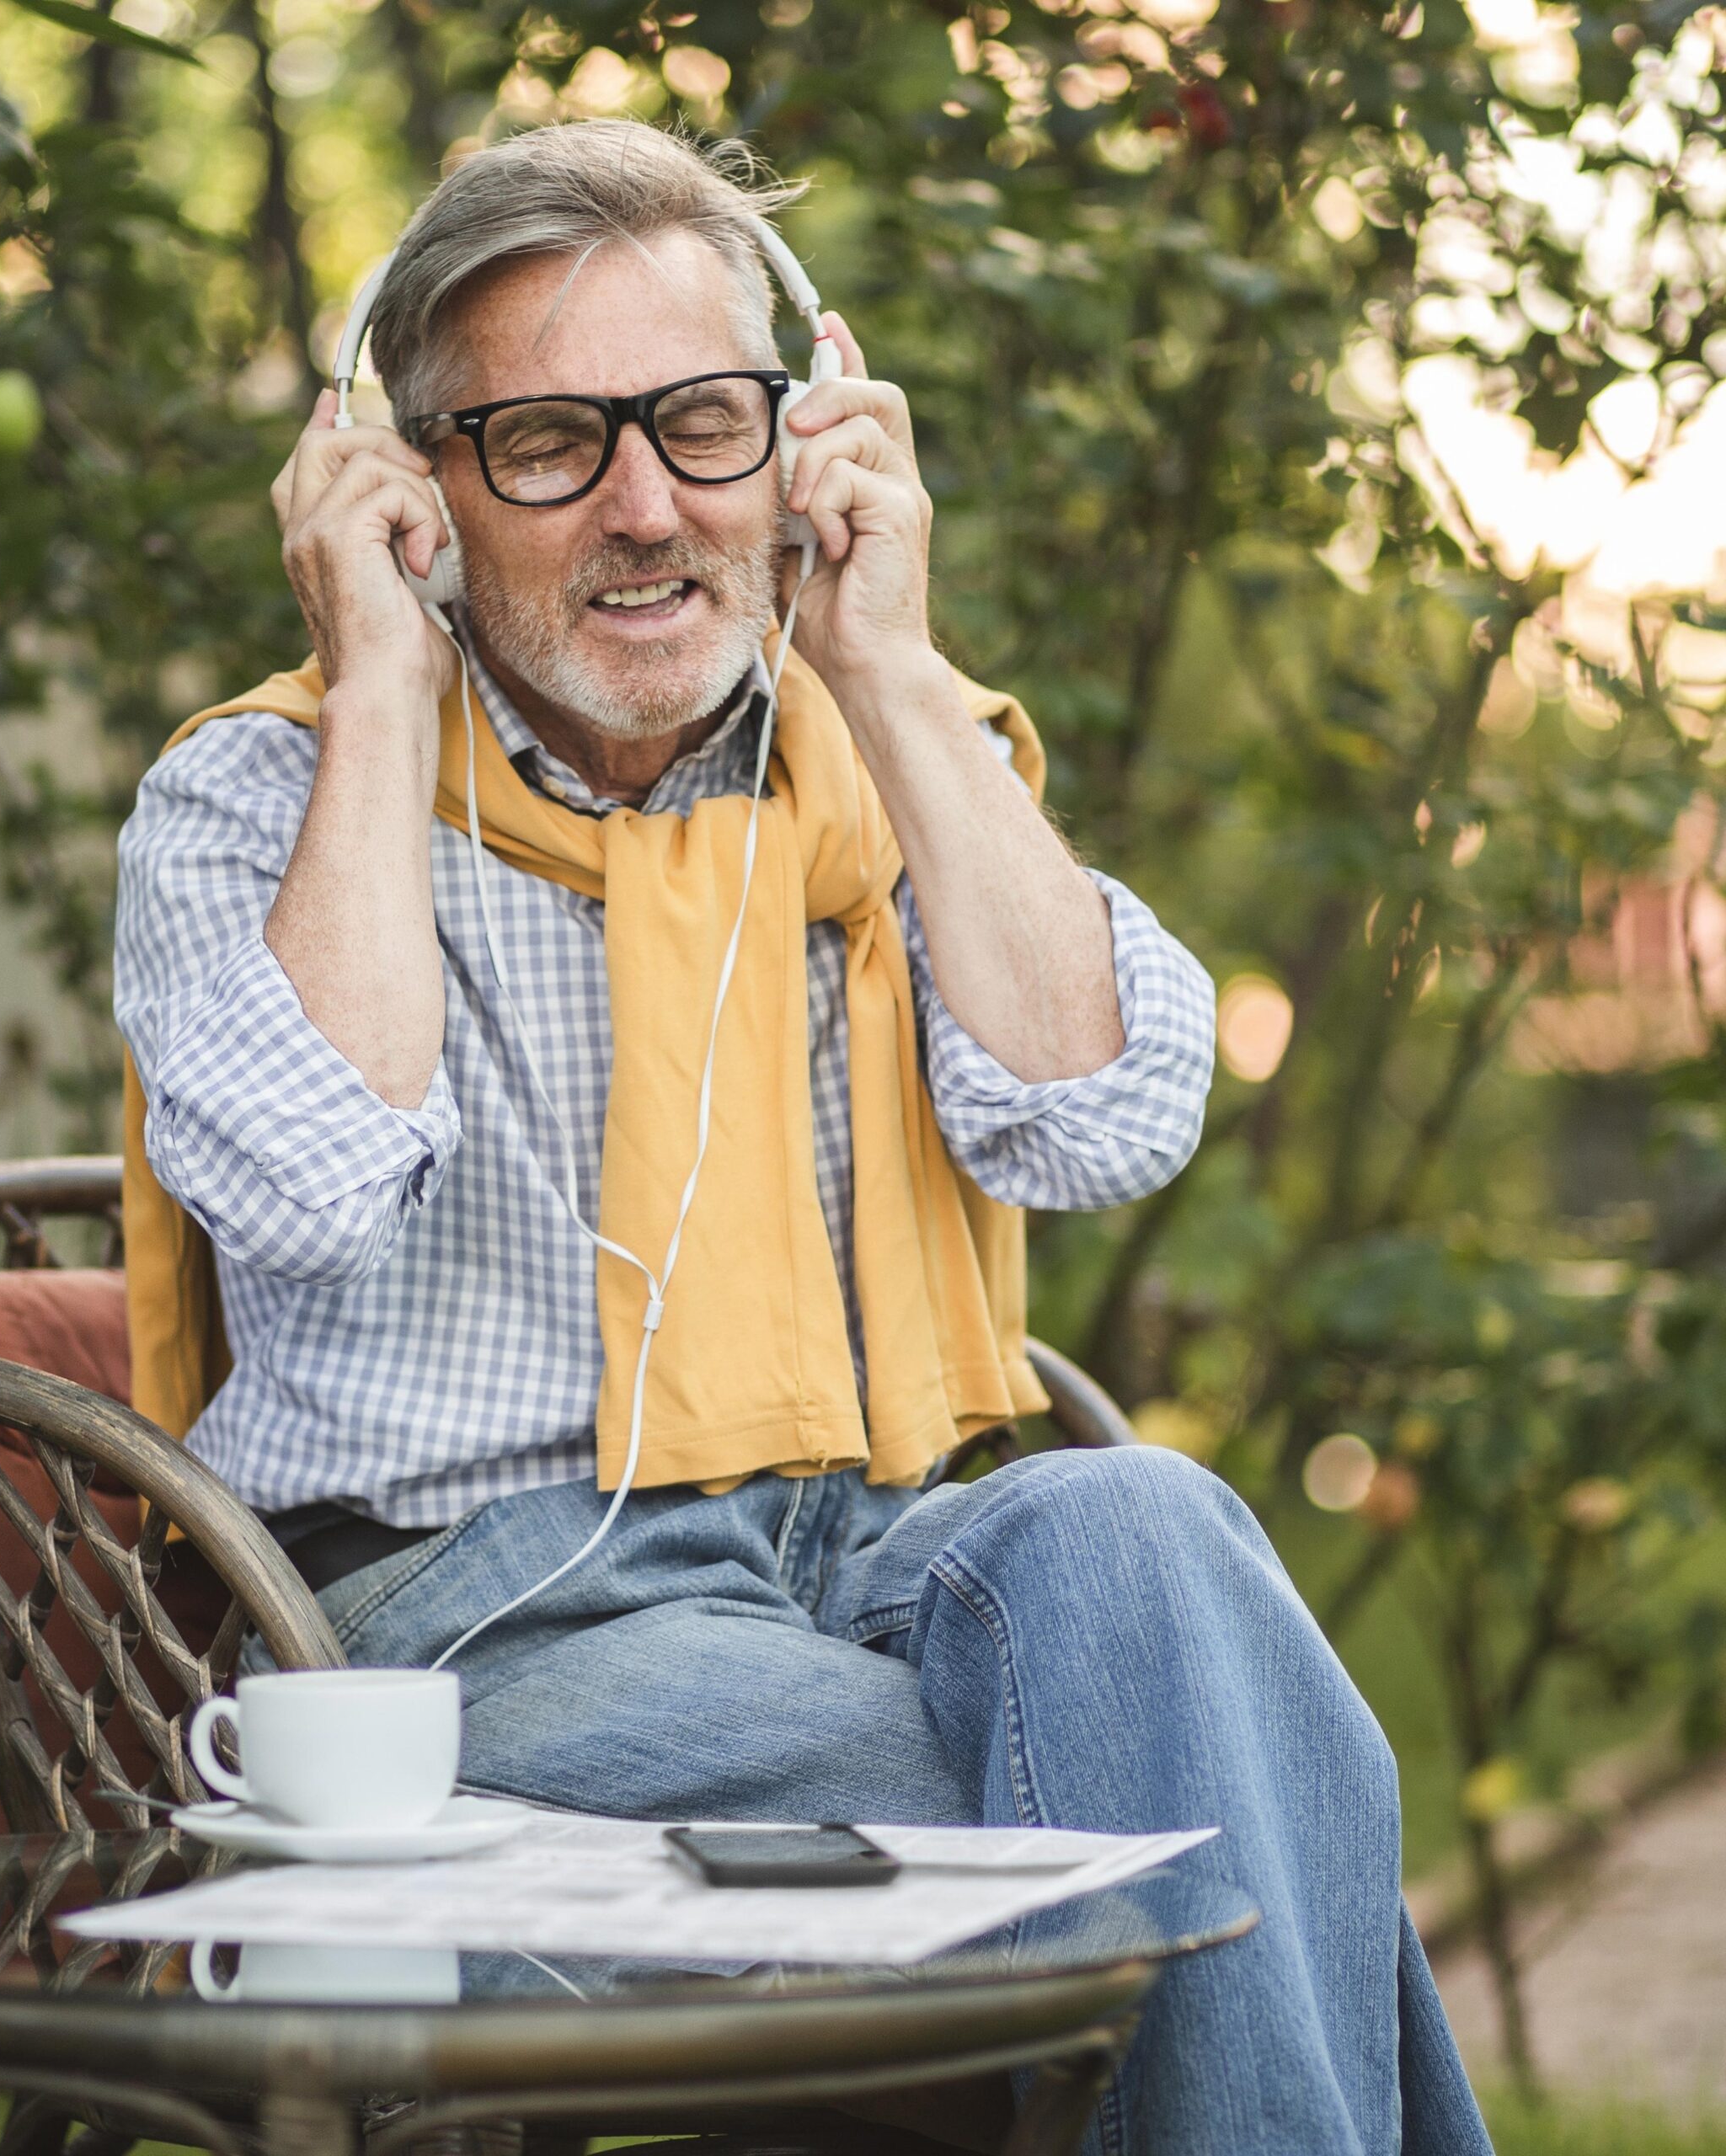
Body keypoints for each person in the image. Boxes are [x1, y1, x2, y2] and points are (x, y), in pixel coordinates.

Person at [114, 120, 1488, 2155]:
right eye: (550, 443)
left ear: (806, 430)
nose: (650, 507)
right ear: (411, 487)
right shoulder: (260, 800)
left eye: (702, 421)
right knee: (1226, 1786)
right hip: (477, 1612)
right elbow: (307, 1178)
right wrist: (381, 684)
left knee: (1151, 1534)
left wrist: (893, 664)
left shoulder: (883, 758)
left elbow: (1102, 1120)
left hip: (870, 1541)